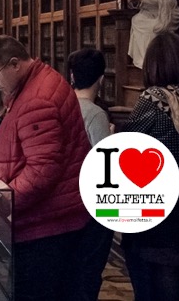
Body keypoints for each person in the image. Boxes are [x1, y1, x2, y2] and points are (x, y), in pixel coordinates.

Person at [0, 35, 91, 300]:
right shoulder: (39, 82)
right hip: (51, 218)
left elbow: (41, 172)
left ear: (14, 64)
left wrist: (1, 200)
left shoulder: (36, 99)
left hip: (44, 224)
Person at [121, 33, 179, 301]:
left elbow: (129, 142)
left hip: (166, 202)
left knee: (165, 268)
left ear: (153, 66)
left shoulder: (154, 99)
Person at [67, 48, 113, 300]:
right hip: (89, 205)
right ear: (101, 79)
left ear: (72, 76)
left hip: (67, 201)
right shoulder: (94, 114)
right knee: (88, 273)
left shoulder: (63, 105)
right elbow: (103, 164)